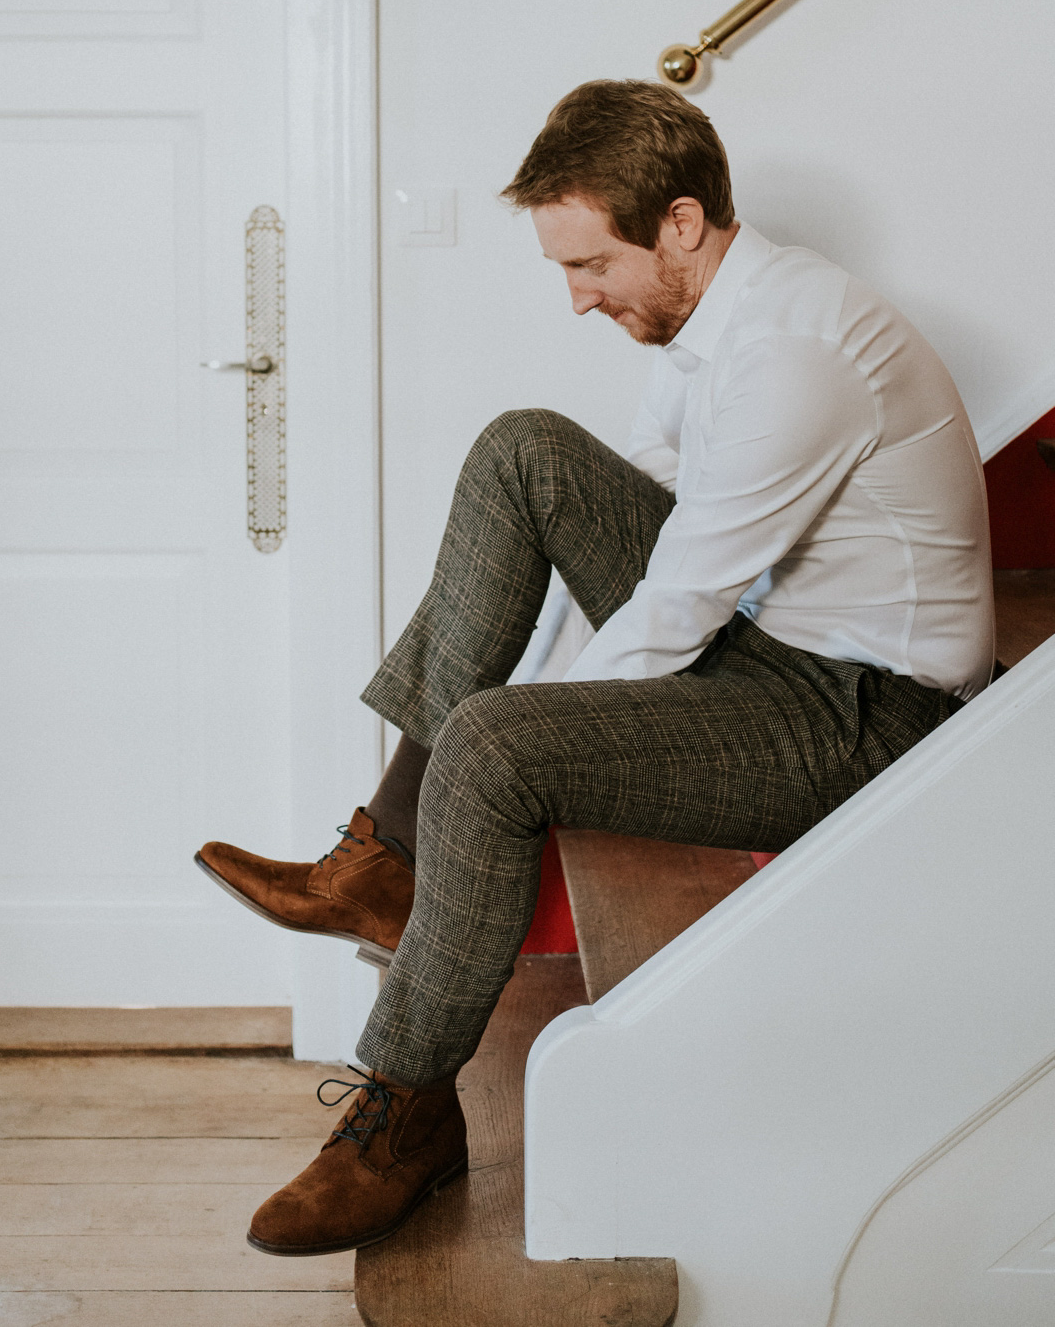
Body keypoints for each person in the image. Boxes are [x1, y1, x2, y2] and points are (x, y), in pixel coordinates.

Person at [196, 79, 994, 1257]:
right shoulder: (707, 318)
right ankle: (385, 855)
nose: (578, 300)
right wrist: (491, 752)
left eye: (591, 266)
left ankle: (409, 1111)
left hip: (866, 715)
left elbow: (677, 605)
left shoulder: (792, 355)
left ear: (681, 224)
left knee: (499, 743)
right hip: (773, 654)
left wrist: (514, 738)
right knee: (527, 454)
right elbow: (620, 512)